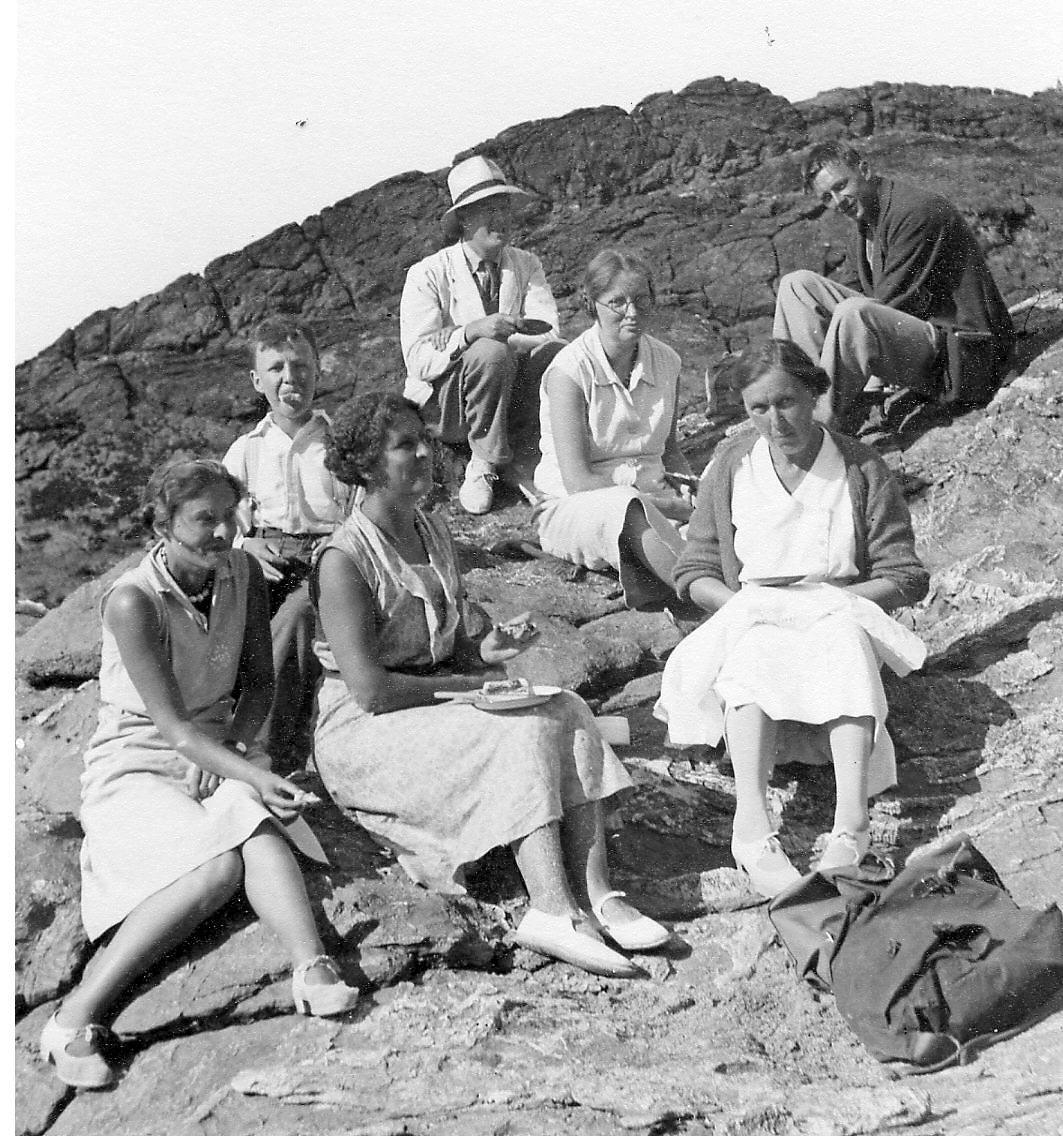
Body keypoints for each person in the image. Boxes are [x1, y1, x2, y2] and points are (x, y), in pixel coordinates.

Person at [310, 391, 670, 977]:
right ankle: (550, 909)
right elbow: (371, 690)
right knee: (516, 731)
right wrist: (471, 690)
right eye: (406, 446)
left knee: (567, 706)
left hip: (426, 704)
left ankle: (599, 894)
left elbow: (442, 645)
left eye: (425, 440)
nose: (427, 453)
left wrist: (486, 651)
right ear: (368, 466)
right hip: (364, 731)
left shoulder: (430, 529)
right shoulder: (344, 558)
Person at [39, 459, 358, 1090]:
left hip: (218, 744)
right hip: (138, 760)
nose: (220, 532)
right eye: (203, 520)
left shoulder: (242, 572)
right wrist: (246, 770)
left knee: (250, 817)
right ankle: (74, 1015)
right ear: (163, 524)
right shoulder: (134, 600)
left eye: (229, 517)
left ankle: (310, 966)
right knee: (219, 864)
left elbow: (261, 685)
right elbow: (173, 728)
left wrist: (239, 753)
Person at [655, 341, 929, 898]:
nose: (775, 421)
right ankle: (751, 827)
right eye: (759, 408)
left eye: (787, 402)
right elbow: (697, 568)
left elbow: (904, 573)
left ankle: (851, 826)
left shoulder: (860, 465)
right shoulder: (732, 463)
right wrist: (742, 608)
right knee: (752, 655)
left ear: (815, 394)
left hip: (836, 605)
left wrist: (839, 601)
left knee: (845, 643)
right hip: (756, 610)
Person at [773, 141, 1013, 434]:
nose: (838, 201)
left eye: (841, 186)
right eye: (827, 197)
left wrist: (871, 382)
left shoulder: (915, 212)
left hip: (968, 359)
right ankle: (794, 394)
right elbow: (854, 289)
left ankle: (812, 429)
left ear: (865, 169)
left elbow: (888, 303)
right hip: (929, 344)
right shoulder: (865, 223)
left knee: (855, 314)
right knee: (797, 285)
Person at [399, 155, 564, 514]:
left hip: (504, 386)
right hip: (446, 408)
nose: (499, 217)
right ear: (462, 219)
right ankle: (484, 463)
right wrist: (470, 334)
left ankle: (534, 454)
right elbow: (419, 360)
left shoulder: (525, 263)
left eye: (503, 206)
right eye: (486, 208)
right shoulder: (427, 274)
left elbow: (550, 332)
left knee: (559, 356)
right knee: (490, 352)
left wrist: (481, 335)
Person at [533, 249, 695, 609]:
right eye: (617, 302)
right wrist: (664, 507)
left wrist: (690, 494)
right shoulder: (570, 371)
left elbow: (669, 450)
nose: (632, 313)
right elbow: (578, 480)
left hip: (656, 496)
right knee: (626, 505)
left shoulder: (667, 361)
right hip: (577, 506)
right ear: (593, 305)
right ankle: (710, 598)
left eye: (640, 300)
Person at [223, 317, 350, 774]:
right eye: (276, 368)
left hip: (328, 559)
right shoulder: (245, 450)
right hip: (266, 558)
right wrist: (245, 545)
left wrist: (340, 548)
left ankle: (267, 755)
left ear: (319, 371)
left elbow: (359, 512)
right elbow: (225, 519)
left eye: (300, 366)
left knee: (296, 619)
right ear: (258, 380)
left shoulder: (339, 442)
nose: (289, 378)